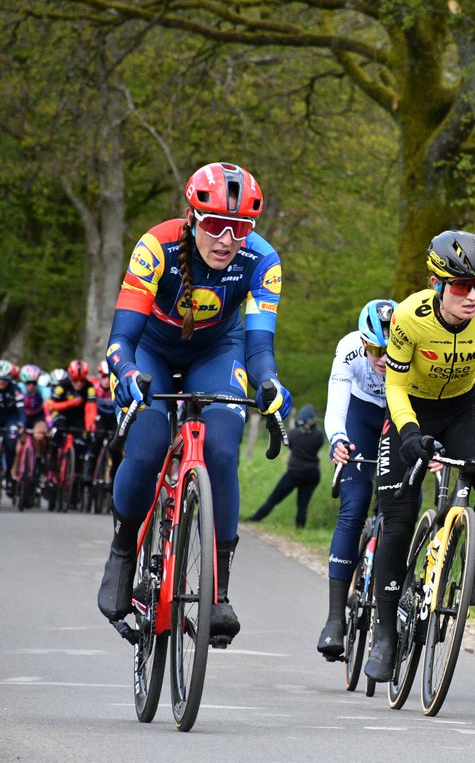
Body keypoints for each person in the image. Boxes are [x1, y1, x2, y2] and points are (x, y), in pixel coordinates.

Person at [96, 161, 290, 647]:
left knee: (222, 450)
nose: (227, 240)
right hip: (152, 351)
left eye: (240, 228)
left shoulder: (262, 261)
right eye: (216, 226)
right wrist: (127, 373)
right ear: (192, 217)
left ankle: (218, 588)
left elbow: (259, 348)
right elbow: (121, 338)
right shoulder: (155, 246)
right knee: (146, 446)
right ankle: (123, 552)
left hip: (216, 352)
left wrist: (269, 383)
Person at [364, 230, 475, 681]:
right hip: (411, 410)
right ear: (437, 284)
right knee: (397, 518)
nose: (473, 296)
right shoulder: (409, 318)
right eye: (460, 286)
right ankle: (384, 632)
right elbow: (394, 386)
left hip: (461, 408)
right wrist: (410, 432)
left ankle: (472, 553)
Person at [316, 298, 394, 659]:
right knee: (355, 505)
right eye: (376, 349)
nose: (382, 358)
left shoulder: (414, 348)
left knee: (400, 510)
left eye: (389, 350)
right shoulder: (349, 349)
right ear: (364, 342)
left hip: (397, 414)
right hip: (361, 416)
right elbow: (336, 409)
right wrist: (338, 440)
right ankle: (335, 620)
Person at [244, 404, 323, 527]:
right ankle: (299, 528)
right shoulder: (318, 435)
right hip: (312, 473)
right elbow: (319, 445)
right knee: (303, 505)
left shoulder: (294, 433)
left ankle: (255, 519)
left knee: (273, 499)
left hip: (294, 472)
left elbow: (290, 445)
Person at [0, 360, 22, 490]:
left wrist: (22, 424)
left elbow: (21, 409)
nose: (1, 383)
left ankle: (8, 472)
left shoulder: (15, 389)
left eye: (4, 379)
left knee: (11, 445)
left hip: (10, 418)